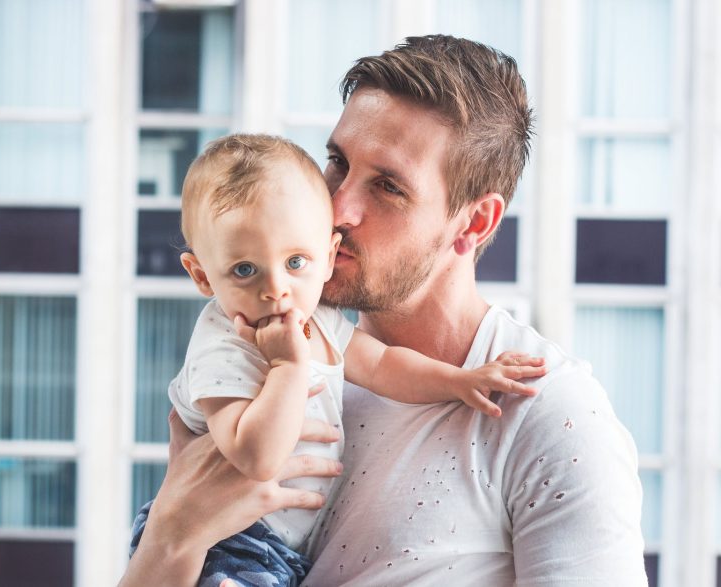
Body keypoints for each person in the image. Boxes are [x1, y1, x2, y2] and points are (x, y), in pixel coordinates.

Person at [119, 35, 647, 586]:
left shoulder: (549, 415)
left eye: (388, 187)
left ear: (474, 224)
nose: (339, 207)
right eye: (336, 162)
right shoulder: (266, 354)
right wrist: (170, 539)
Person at [127, 133, 546, 587]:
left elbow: (385, 366)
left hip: (284, 549)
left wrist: (461, 380)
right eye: (244, 270)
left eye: (295, 262)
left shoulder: (322, 320)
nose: (276, 289)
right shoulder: (224, 347)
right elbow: (257, 458)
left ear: (327, 258)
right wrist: (288, 368)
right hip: (227, 544)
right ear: (203, 276)